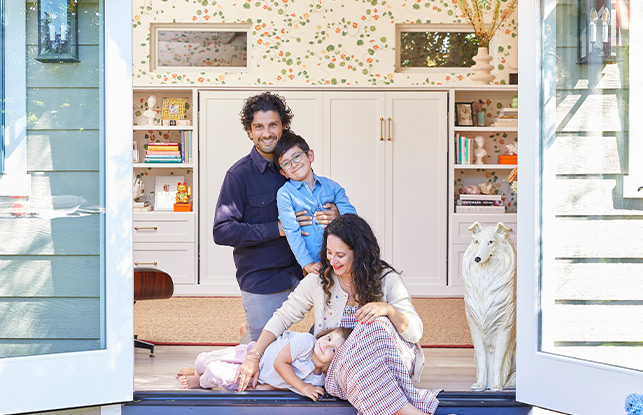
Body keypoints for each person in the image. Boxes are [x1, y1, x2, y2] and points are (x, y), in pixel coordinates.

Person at [234, 214, 441, 415]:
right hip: (342, 371)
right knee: (354, 362)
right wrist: (253, 356)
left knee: (376, 325)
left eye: (340, 255)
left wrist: (388, 310)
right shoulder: (320, 280)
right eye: (329, 253)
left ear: (359, 253)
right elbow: (283, 316)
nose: (333, 260)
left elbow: (415, 332)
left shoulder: (387, 279)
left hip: (389, 361)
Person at [212, 92, 339, 343]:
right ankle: (251, 333)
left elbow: (322, 205)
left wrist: (336, 215)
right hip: (264, 276)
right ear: (250, 131)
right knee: (266, 355)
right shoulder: (238, 175)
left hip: (308, 268)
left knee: (336, 332)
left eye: (273, 125)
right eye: (259, 126)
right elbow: (222, 231)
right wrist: (278, 228)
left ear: (284, 126)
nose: (267, 133)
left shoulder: (296, 166)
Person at [176, 327, 352, 401]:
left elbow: (285, 386)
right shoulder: (307, 342)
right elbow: (280, 363)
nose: (326, 344)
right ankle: (198, 370)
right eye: (329, 337)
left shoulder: (316, 382)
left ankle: (200, 381)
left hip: (256, 379)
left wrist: (261, 388)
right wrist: (303, 387)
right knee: (201, 360)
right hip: (251, 355)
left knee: (214, 372)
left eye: (334, 349)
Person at [273, 131, 357, 276]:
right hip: (313, 265)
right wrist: (307, 264)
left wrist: (338, 215)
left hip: (341, 261)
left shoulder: (332, 186)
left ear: (310, 156)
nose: (293, 164)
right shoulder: (285, 194)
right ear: (283, 173)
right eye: (286, 163)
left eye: (297, 156)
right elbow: (292, 232)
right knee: (317, 297)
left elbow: (352, 219)